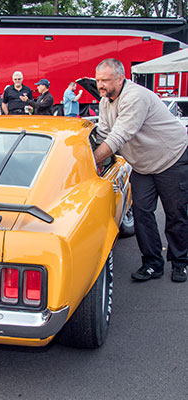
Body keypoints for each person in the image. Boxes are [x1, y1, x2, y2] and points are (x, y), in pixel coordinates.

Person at [93, 58, 188, 283]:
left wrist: (91, 162)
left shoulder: (135, 97)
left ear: (120, 78)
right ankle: (152, 264)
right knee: (142, 214)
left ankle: (180, 262)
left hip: (171, 157)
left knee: (175, 213)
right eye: (98, 81)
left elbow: (119, 136)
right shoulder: (106, 101)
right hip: (143, 165)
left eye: (105, 80)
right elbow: (104, 132)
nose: (100, 86)